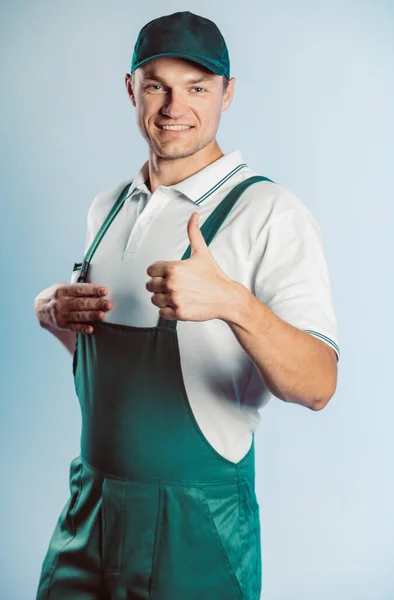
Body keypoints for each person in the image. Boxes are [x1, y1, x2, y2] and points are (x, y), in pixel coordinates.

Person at [34, 10, 340, 600]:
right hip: (89, 510)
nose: (175, 107)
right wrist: (52, 311)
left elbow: (320, 385)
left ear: (228, 93)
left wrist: (233, 303)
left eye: (197, 87)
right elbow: (101, 358)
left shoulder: (269, 213)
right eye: (157, 86)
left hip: (194, 527)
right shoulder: (108, 208)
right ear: (131, 90)